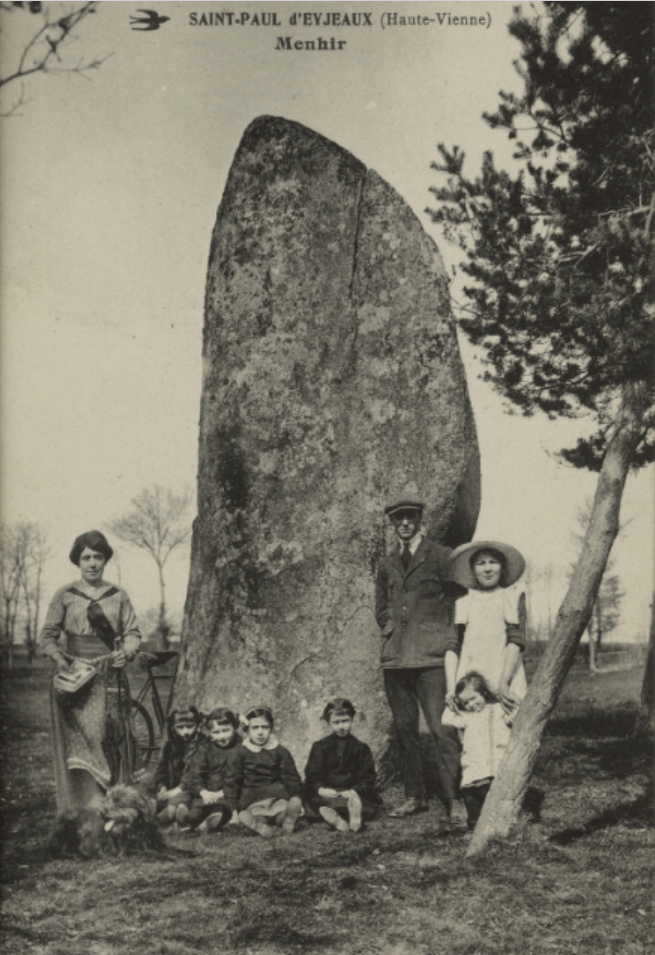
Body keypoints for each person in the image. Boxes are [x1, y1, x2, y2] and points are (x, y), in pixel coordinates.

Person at [374, 495, 467, 830]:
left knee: (443, 729)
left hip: (431, 657)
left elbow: (458, 599)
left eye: (410, 517)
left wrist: (442, 634)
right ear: (392, 524)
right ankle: (415, 795)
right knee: (405, 731)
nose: (404, 524)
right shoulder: (387, 563)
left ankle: (454, 799)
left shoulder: (441, 556)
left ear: (419, 519)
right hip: (396, 659)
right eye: (398, 519)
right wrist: (388, 627)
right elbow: (381, 606)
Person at [39, 530, 143, 813]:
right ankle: (84, 804)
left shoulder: (119, 595)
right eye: (86, 558)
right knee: (83, 740)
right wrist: (61, 660)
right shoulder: (65, 595)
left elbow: (133, 632)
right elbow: (47, 635)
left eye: (98, 557)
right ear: (78, 561)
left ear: (106, 560)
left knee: (110, 737)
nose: (92, 563)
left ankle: (116, 802)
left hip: (110, 674)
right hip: (76, 679)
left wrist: (127, 650)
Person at [445, 540, 527, 717]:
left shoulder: (512, 598)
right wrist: (451, 688)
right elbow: (453, 646)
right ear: (473, 570)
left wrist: (503, 683)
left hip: (504, 673)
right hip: (469, 682)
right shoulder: (463, 604)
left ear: (502, 567)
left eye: (493, 562)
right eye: (480, 564)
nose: (487, 569)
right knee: (472, 735)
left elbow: (516, 641)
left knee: (505, 731)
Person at [442, 670, 517, 828]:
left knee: (493, 798)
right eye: (465, 702)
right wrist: (451, 701)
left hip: (495, 767)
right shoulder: (466, 717)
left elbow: (516, 715)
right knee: (471, 799)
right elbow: (446, 719)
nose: (471, 704)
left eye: (473, 698)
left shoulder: (498, 709)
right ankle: (475, 827)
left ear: (483, 693)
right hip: (473, 768)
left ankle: (500, 826)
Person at [223, 706, 304, 838]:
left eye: (264, 727)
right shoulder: (239, 752)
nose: (260, 732)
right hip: (252, 798)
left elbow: (291, 778)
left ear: (271, 728)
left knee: (281, 812)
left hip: (277, 796)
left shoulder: (280, 751)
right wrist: (233, 809)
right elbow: (232, 781)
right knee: (257, 817)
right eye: (255, 728)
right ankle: (260, 826)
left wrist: (297, 797)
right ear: (247, 729)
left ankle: (287, 819)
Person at [304, 698, 382, 833]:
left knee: (366, 803)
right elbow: (312, 774)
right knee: (313, 801)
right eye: (336, 722)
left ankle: (349, 815)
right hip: (329, 793)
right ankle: (344, 818)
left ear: (352, 720)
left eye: (345, 721)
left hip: (352, 793)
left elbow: (367, 776)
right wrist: (321, 789)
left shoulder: (361, 748)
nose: (341, 726)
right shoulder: (320, 747)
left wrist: (354, 791)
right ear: (329, 723)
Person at [176, 707, 240, 833]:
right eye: (216, 732)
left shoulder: (240, 749)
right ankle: (186, 820)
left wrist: (222, 793)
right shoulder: (205, 748)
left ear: (234, 728)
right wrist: (203, 791)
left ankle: (207, 825)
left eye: (226, 730)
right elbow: (195, 773)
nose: (222, 736)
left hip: (227, 794)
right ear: (209, 733)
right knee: (198, 810)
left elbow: (239, 776)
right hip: (206, 794)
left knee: (221, 810)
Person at [154, 706, 202, 827]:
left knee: (176, 803)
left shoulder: (203, 744)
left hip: (194, 788)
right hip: (174, 787)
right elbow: (162, 769)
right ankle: (171, 813)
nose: (185, 731)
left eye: (190, 726)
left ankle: (167, 816)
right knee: (157, 798)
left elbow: (195, 773)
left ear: (197, 725)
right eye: (180, 727)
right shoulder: (170, 745)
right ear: (173, 728)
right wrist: (163, 786)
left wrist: (177, 790)